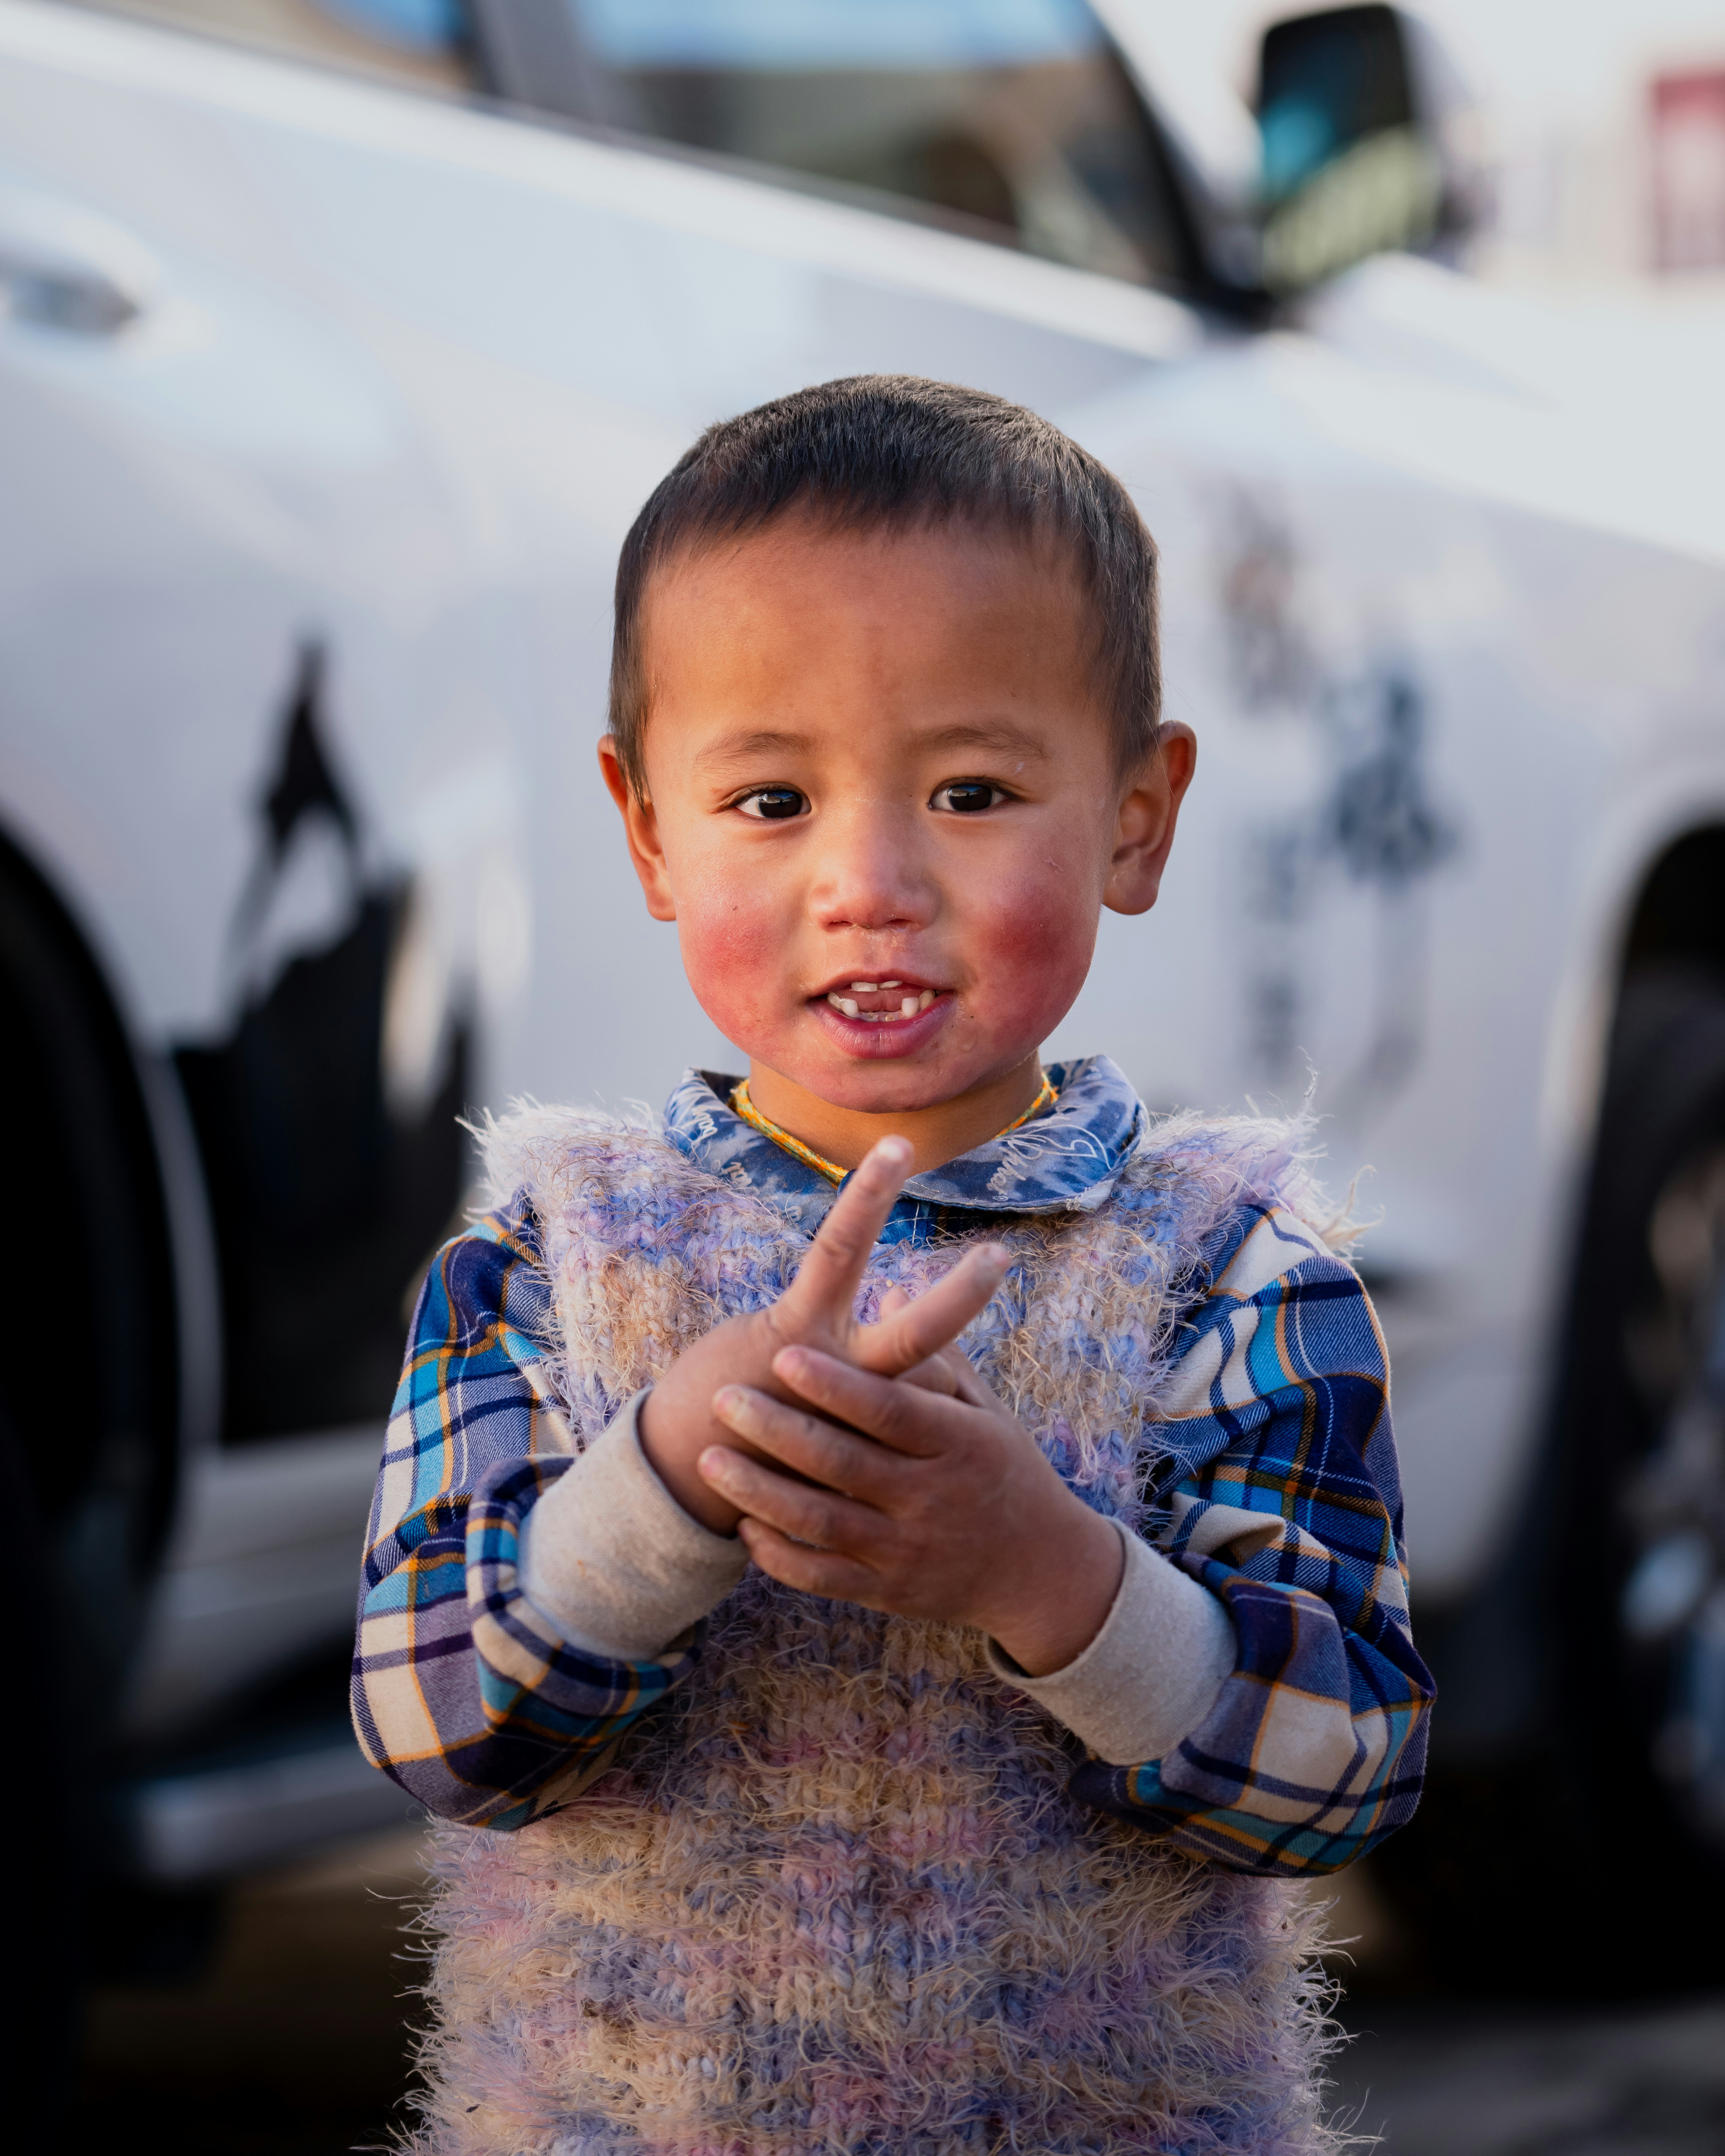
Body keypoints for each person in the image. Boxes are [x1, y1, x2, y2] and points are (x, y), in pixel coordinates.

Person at [352, 376, 1433, 2155]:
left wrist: (1050, 1575)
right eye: (770, 799)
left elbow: (1346, 1774)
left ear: (1138, 817)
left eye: (973, 788)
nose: (868, 880)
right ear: (645, 830)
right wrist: (668, 1486)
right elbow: (437, 1727)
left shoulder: (1229, 1269)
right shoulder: (552, 1259)